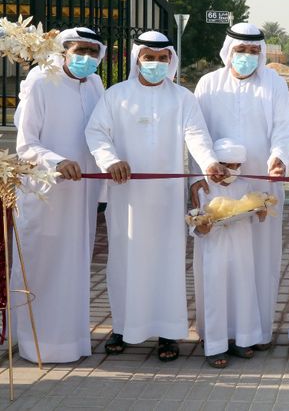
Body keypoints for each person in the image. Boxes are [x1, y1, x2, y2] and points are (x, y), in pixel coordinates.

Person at [85, 30, 228, 362]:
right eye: (149, 57)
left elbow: (196, 135)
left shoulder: (182, 98)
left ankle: (168, 333)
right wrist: (110, 161)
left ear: (170, 61)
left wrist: (208, 164)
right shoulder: (115, 96)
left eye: (162, 58)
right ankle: (122, 327)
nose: (156, 63)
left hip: (165, 199)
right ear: (138, 59)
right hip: (127, 197)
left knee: (167, 262)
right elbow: (95, 132)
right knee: (124, 260)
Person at [190, 22, 289, 350]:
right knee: (216, 260)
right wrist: (198, 179)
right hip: (216, 186)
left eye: (253, 51)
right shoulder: (208, 84)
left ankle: (254, 333)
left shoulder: (273, 83)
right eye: (241, 50)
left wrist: (279, 158)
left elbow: (282, 127)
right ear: (228, 51)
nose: (247, 56)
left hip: (259, 186)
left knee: (259, 260)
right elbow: (196, 134)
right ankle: (215, 331)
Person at [10, 27, 106, 363]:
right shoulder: (40, 81)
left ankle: (74, 342)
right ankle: (36, 344)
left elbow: (100, 134)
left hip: (82, 196)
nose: (86, 58)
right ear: (63, 51)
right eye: (79, 51)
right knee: (43, 266)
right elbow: (26, 144)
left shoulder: (95, 84)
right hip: (46, 194)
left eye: (93, 53)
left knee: (75, 268)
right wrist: (57, 162)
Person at [192, 138, 265, 368]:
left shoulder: (244, 185)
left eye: (236, 166)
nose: (230, 171)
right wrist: (200, 226)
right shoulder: (202, 186)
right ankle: (215, 345)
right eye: (226, 165)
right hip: (214, 248)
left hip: (242, 247)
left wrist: (261, 211)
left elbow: (254, 208)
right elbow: (194, 218)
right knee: (215, 293)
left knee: (242, 289)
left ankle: (243, 338)